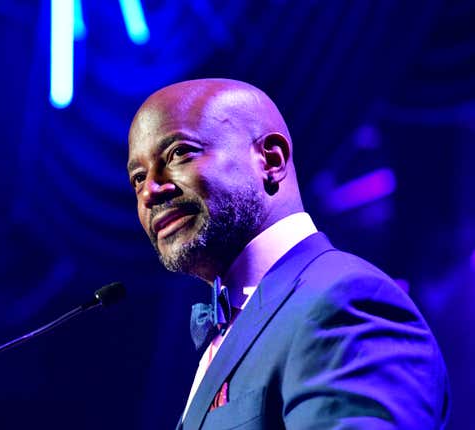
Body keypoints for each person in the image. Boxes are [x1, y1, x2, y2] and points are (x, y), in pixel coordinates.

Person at [126, 79, 450, 429]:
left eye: (179, 153)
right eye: (138, 178)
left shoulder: (344, 299)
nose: (150, 192)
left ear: (270, 159)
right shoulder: (238, 325)